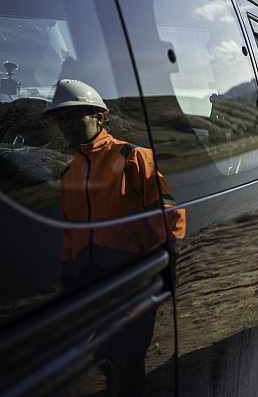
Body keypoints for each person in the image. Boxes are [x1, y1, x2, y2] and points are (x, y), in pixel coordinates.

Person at [43, 79, 185, 287]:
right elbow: (70, 235)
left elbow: (168, 216)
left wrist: (167, 268)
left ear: (99, 118)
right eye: (60, 119)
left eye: (73, 116)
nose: (65, 124)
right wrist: (68, 278)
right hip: (90, 286)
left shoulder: (133, 156)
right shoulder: (68, 174)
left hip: (133, 279)